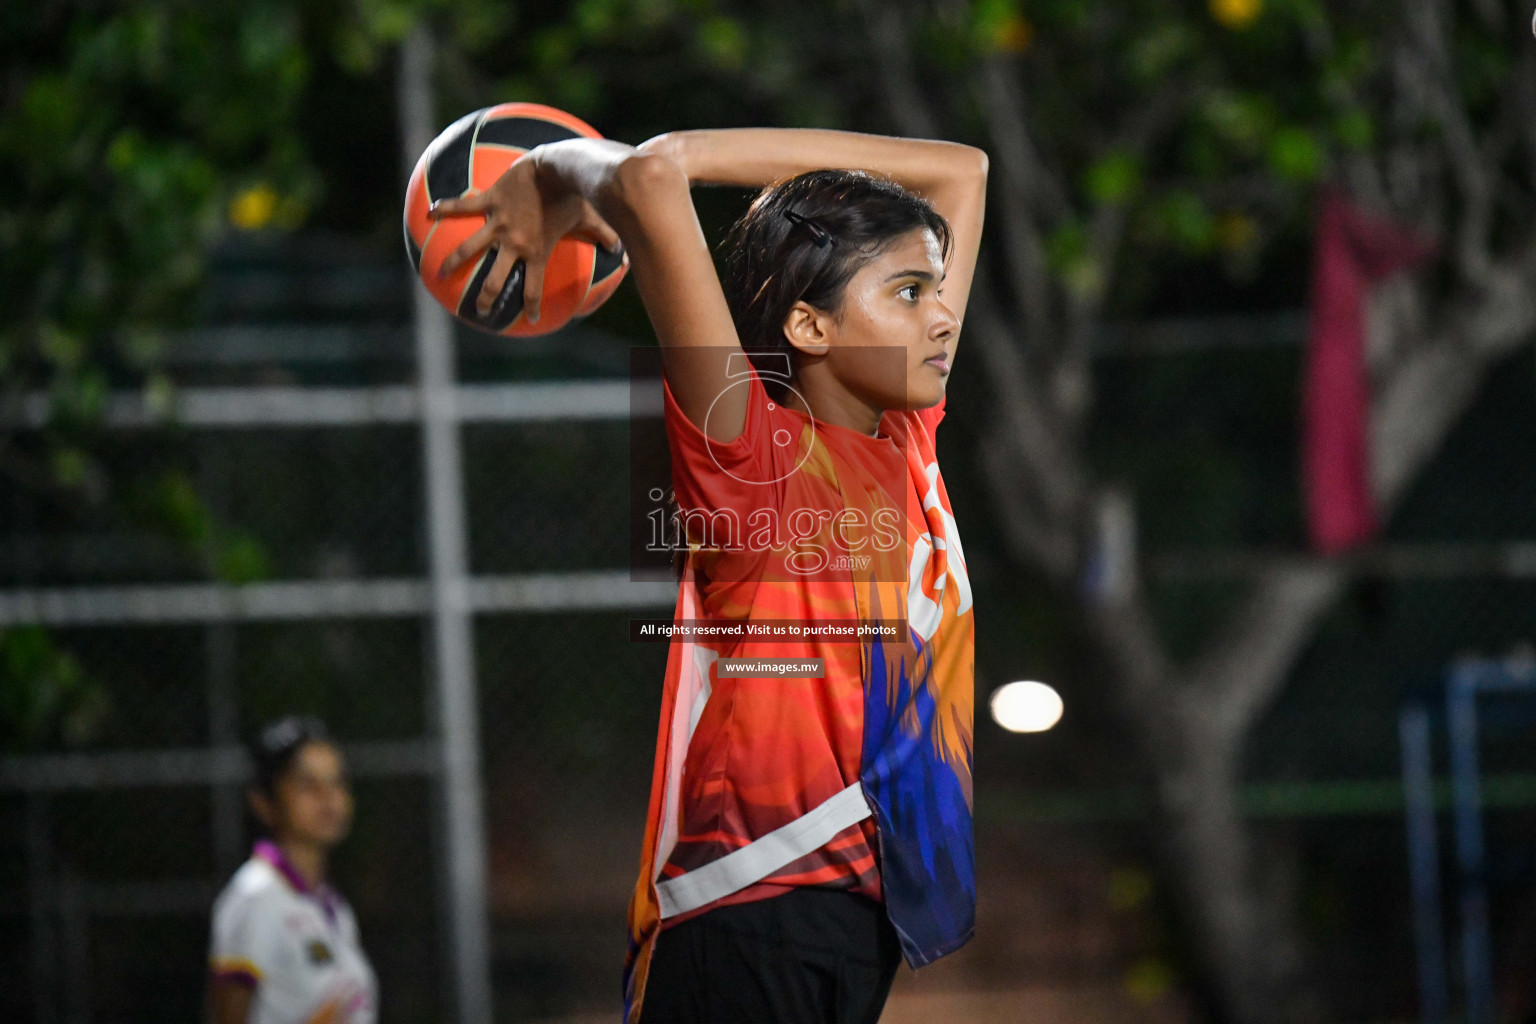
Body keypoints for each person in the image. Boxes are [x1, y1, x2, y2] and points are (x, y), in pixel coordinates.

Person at [432, 126, 985, 1024]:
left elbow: (961, 168)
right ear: (809, 326)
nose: (944, 314)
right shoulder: (751, 457)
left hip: (855, 919)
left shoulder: (908, 446)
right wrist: (552, 170)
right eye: (910, 291)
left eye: (936, 287)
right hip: (750, 905)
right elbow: (651, 177)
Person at [207, 717, 377, 1024]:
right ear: (264, 803)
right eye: (306, 784)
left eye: (337, 781)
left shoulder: (331, 905)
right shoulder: (256, 896)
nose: (328, 797)